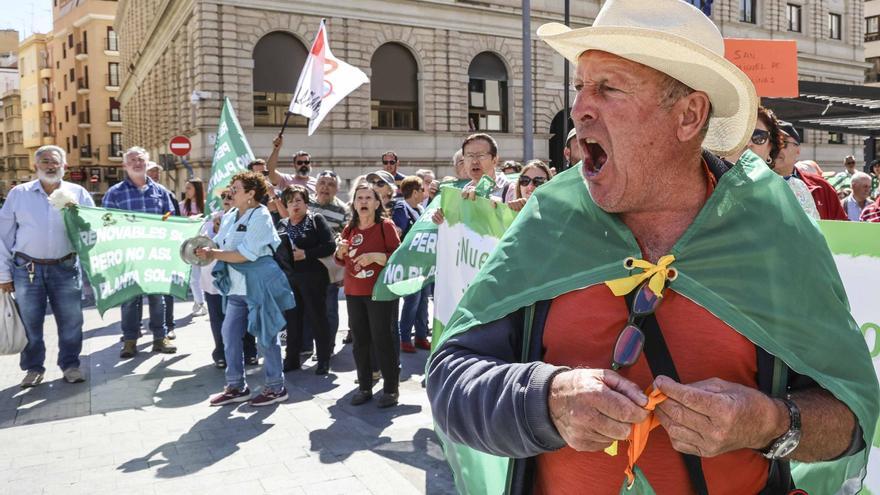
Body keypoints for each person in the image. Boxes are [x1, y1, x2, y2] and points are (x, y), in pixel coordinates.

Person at [427, 1, 877, 493]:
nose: (578, 109)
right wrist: (546, 399)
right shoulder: (549, 218)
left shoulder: (772, 230)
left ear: (688, 115)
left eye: (609, 87)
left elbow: (852, 415)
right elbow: (451, 381)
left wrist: (770, 423)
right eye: (580, 86)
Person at [0, 145, 94, 387]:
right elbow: (3, 236)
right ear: (36, 166)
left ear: (64, 166)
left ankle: (70, 365)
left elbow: (93, 231)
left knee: (72, 320)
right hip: (26, 269)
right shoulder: (18, 194)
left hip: (65, 267)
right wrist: (3, 274)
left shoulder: (78, 193)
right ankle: (33, 368)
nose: (50, 166)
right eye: (45, 162)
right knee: (30, 321)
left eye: (55, 162)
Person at [198, 171, 294, 406]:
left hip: (258, 284)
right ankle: (236, 386)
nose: (231, 191)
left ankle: (275, 387)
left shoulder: (260, 215)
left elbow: (244, 255)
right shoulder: (230, 215)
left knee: (266, 336)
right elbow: (219, 244)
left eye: (237, 188)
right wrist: (198, 248)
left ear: (251, 194)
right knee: (229, 335)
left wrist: (213, 254)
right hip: (236, 287)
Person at [102, 147, 177, 358]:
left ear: (147, 163)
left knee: (157, 299)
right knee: (129, 301)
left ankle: (160, 338)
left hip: (154, 255)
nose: (137, 163)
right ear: (125, 166)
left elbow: (168, 217)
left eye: (141, 160)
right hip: (128, 258)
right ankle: (130, 341)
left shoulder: (160, 191)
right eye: (132, 160)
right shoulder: (114, 193)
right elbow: (107, 223)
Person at [335, 183, 401, 408]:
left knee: (382, 339)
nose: (363, 201)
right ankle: (365, 387)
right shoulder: (350, 227)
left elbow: (397, 256)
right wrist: (340, 251)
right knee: (360, 341)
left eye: (368, 198)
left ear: (376, 203)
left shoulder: (386, 226)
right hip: (354, 291)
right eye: (359, 198)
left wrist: (375, 256)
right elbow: (341, 259)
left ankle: (391, 389)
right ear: (353, 203)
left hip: (379, 292)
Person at [274, 185, 336, 375]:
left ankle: (324, 360)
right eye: (291, 201)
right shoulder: (282, 225)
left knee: (318, 318)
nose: (295, 204)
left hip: (314, 278)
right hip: (291, 279)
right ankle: (292, 358)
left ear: (306, 203)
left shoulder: (315, 219)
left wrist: (306, 254)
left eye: (298, 200)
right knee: (292, 320)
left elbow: (330, 245)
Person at [201, 191, 259, 369]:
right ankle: (221, 352)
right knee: (219, 318)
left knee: (245, 316)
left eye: (231, 196)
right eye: (224, 197)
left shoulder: (248, 217)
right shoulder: (210, 221)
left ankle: (249, 351)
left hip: (239, 278)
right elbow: (202, 245)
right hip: (214, 279)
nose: (228, 200)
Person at [392, 176, 430, 353]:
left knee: (423, 301)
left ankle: (421, 336)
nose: (425, 193)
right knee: (412, 301)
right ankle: (405, 337)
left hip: (423, 263)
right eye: (422, 189)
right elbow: (400, 233)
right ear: (414, 192)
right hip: (410, 264)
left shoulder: (421, 209)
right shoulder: (401, 208)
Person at [768, 122, 820, 219]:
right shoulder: (753, 185)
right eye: (772, 142)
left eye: (783, 143)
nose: (775, 148)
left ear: (798, 149)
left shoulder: (810, 187)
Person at [181, 179, 208, 317]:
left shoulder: (206, 206)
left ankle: (202, 302)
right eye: (186, 188)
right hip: (189, 246)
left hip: (205, 245)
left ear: (197, 189)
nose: (186, 191)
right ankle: (200, 303)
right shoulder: (182, 206)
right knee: (194, 277)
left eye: (189, 188)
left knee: (207, 276)